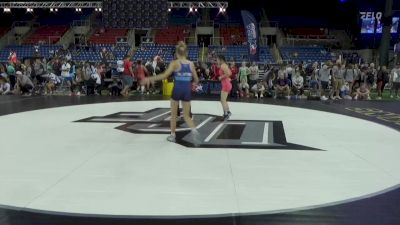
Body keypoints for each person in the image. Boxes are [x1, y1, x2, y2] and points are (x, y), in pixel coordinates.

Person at [141, 41, 200, 144]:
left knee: (173, 115)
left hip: (177, 89)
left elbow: (164, 76)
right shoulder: (191, 64)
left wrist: (149, 79)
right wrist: (191, 82)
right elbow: (196, 79)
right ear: (186, 53)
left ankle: (172, 135)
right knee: (186, 115)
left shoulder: (174, 63)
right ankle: (194, 131)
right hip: (186, 90)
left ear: (176, 54)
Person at [217, 55, 232, 120]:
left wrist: (221, 77)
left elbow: (228, 74)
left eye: (217, 59)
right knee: (223, 100)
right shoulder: (224, 65)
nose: (217, 61)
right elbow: (230, 73)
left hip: (226, 84)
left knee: (222, 100)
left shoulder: (223, 65)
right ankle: (228, 111)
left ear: (221, 59)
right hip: (226, 84)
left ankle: (226, 114)